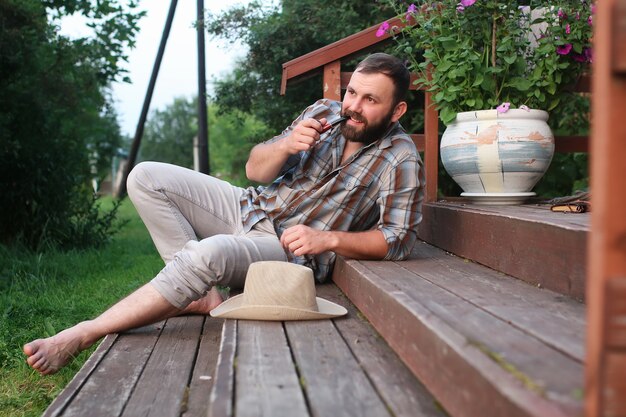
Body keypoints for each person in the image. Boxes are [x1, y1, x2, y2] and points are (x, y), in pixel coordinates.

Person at [23, 52, 424, 375]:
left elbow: (398, 239)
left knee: (207, 254)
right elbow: (255, 169)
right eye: (352, 92)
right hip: (248, 203)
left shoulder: (400, 158)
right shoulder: (325, 111)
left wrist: (329, 239)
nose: (353, 107)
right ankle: (201, 295)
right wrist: (286, 144)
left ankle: (84, 332)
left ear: (397, 110)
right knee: (145, 177)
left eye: (370, 100)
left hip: (282, 248)